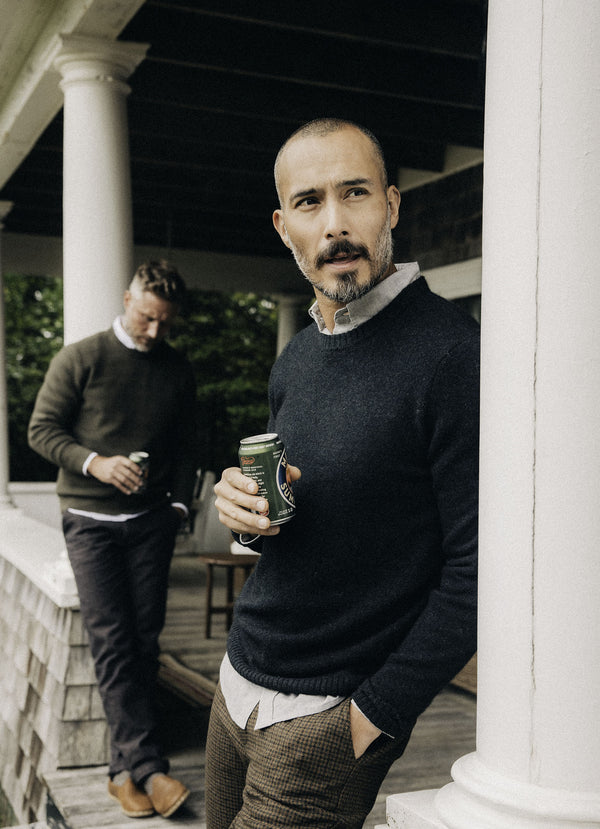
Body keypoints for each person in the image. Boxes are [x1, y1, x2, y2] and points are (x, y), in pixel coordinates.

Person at [208, 118, 480, 828]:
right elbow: (299, 526)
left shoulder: (455, 357)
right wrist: (248, 517)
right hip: (236, 685)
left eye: (354, 194)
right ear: (282, 225)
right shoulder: (296, 356)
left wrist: (372, 718)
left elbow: (480, 570)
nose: (335, 223)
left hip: (327, 723)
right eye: (309, 202)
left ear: (390, 205)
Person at [28, 260, 198, 819]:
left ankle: (121, 772)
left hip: (152, 522)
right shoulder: (81, 357)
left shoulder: (176, 369)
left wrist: (177, 504)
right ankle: (148, 767)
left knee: (144, 642)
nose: (153, 332)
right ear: (128, 298)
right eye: (147, 317)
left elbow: (188, 444)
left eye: (164, 323)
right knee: (111, 639)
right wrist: (96, 464)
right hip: (88, 518)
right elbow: (42, 430)